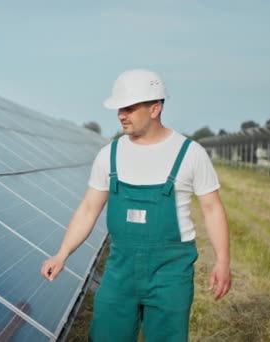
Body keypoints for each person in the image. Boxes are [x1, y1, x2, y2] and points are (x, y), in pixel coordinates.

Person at [41, 69, 231, 341]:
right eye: (120, 108)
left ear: (155, 109)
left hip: (170, 273)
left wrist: (223, 261)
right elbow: (88, 208)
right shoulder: (110, 155)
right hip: (120, 271)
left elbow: (212, 208)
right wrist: (62, 254)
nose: (121, 115)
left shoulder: (190, 154)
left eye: (129, 108)